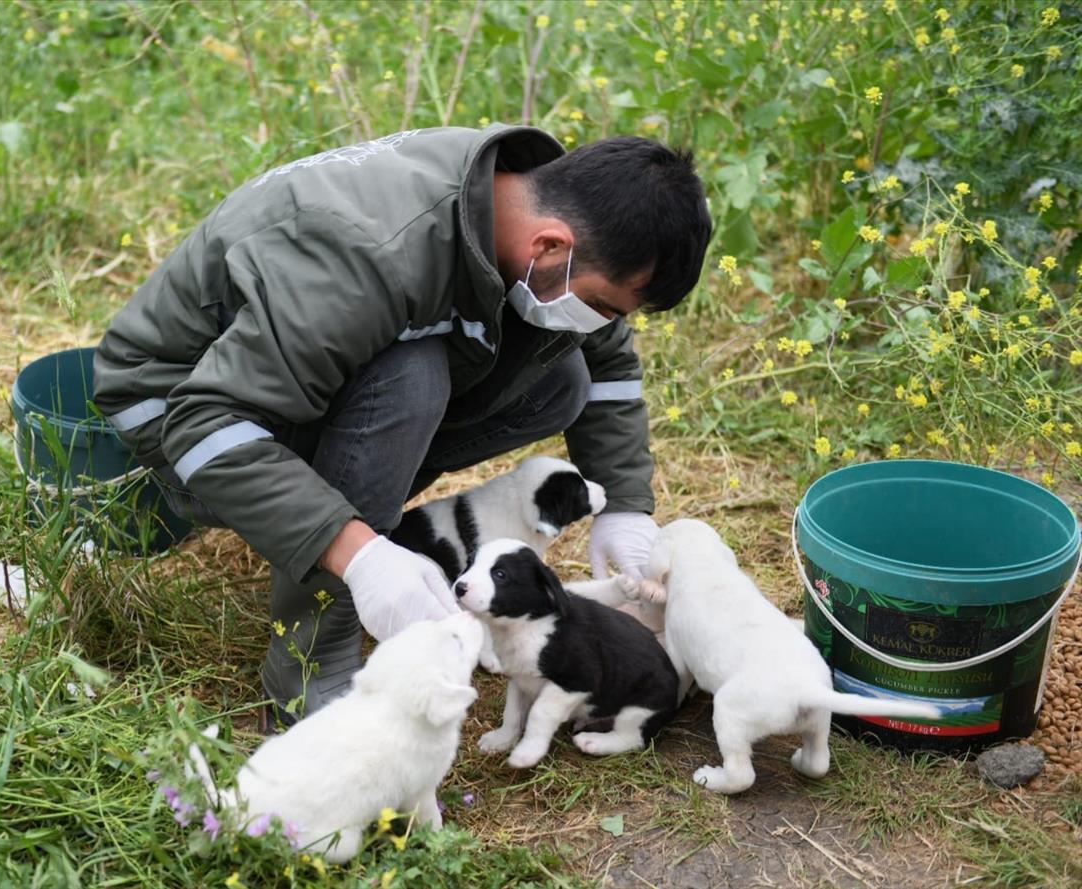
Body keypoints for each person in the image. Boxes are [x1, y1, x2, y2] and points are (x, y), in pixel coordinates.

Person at [93, 124, 713, 722]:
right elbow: (204, 421)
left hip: (284, 382)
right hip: (176, 410)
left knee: (562, 379)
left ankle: (348, 517)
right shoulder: (370, 255)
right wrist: (359, 554)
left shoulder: (522, 202)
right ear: (550, 246)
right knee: (410, 378)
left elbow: (606, 365)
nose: (600, 321)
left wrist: (625, 506)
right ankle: (310, 660)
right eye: (601, 305)